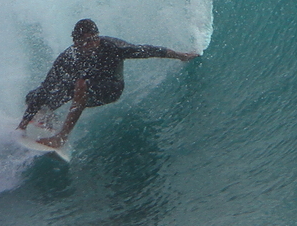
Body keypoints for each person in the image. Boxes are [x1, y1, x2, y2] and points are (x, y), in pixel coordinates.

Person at [17, 18, 197, 148]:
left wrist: (181, 55)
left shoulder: (114, 47)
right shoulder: (68, 57)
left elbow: (148, 50)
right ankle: (48, 119)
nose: (89, 44)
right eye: (83, 42)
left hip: (111, 89)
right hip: (84, 87)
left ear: (97, 36)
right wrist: (22, 125)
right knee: (34, 96)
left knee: (81, 84)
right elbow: (46, 88)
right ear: (75, 42)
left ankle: (61, 137)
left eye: (92, 39)